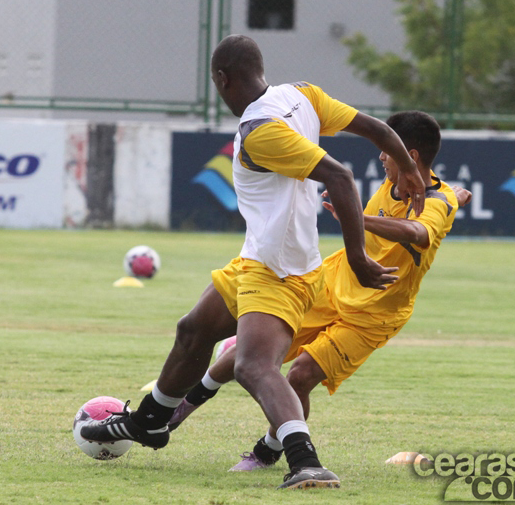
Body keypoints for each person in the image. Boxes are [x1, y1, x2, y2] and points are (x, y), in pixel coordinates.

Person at [80, 34, 426, 490]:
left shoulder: (258, 133)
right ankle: (150, 423)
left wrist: (359, 256)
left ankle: (306, 463)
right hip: (256, 256)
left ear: (222, 79)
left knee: (253, 366)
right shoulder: (303, 94)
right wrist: (409, 168)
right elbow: (379, 131)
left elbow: (339, 177)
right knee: (194, 329)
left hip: (279, 269)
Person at [168, 111, 466, 476]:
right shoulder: (408, 186)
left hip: (373, 315)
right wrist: (460, 197)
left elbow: (418, 232)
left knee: (301, 376)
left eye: (386, 150)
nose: (381, 156)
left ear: (412, 155)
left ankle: (267, 451)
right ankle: (181, 408)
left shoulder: (437, 199)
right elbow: (445, 203)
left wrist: (357, 215)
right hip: (329, 283)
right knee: (252, 351)